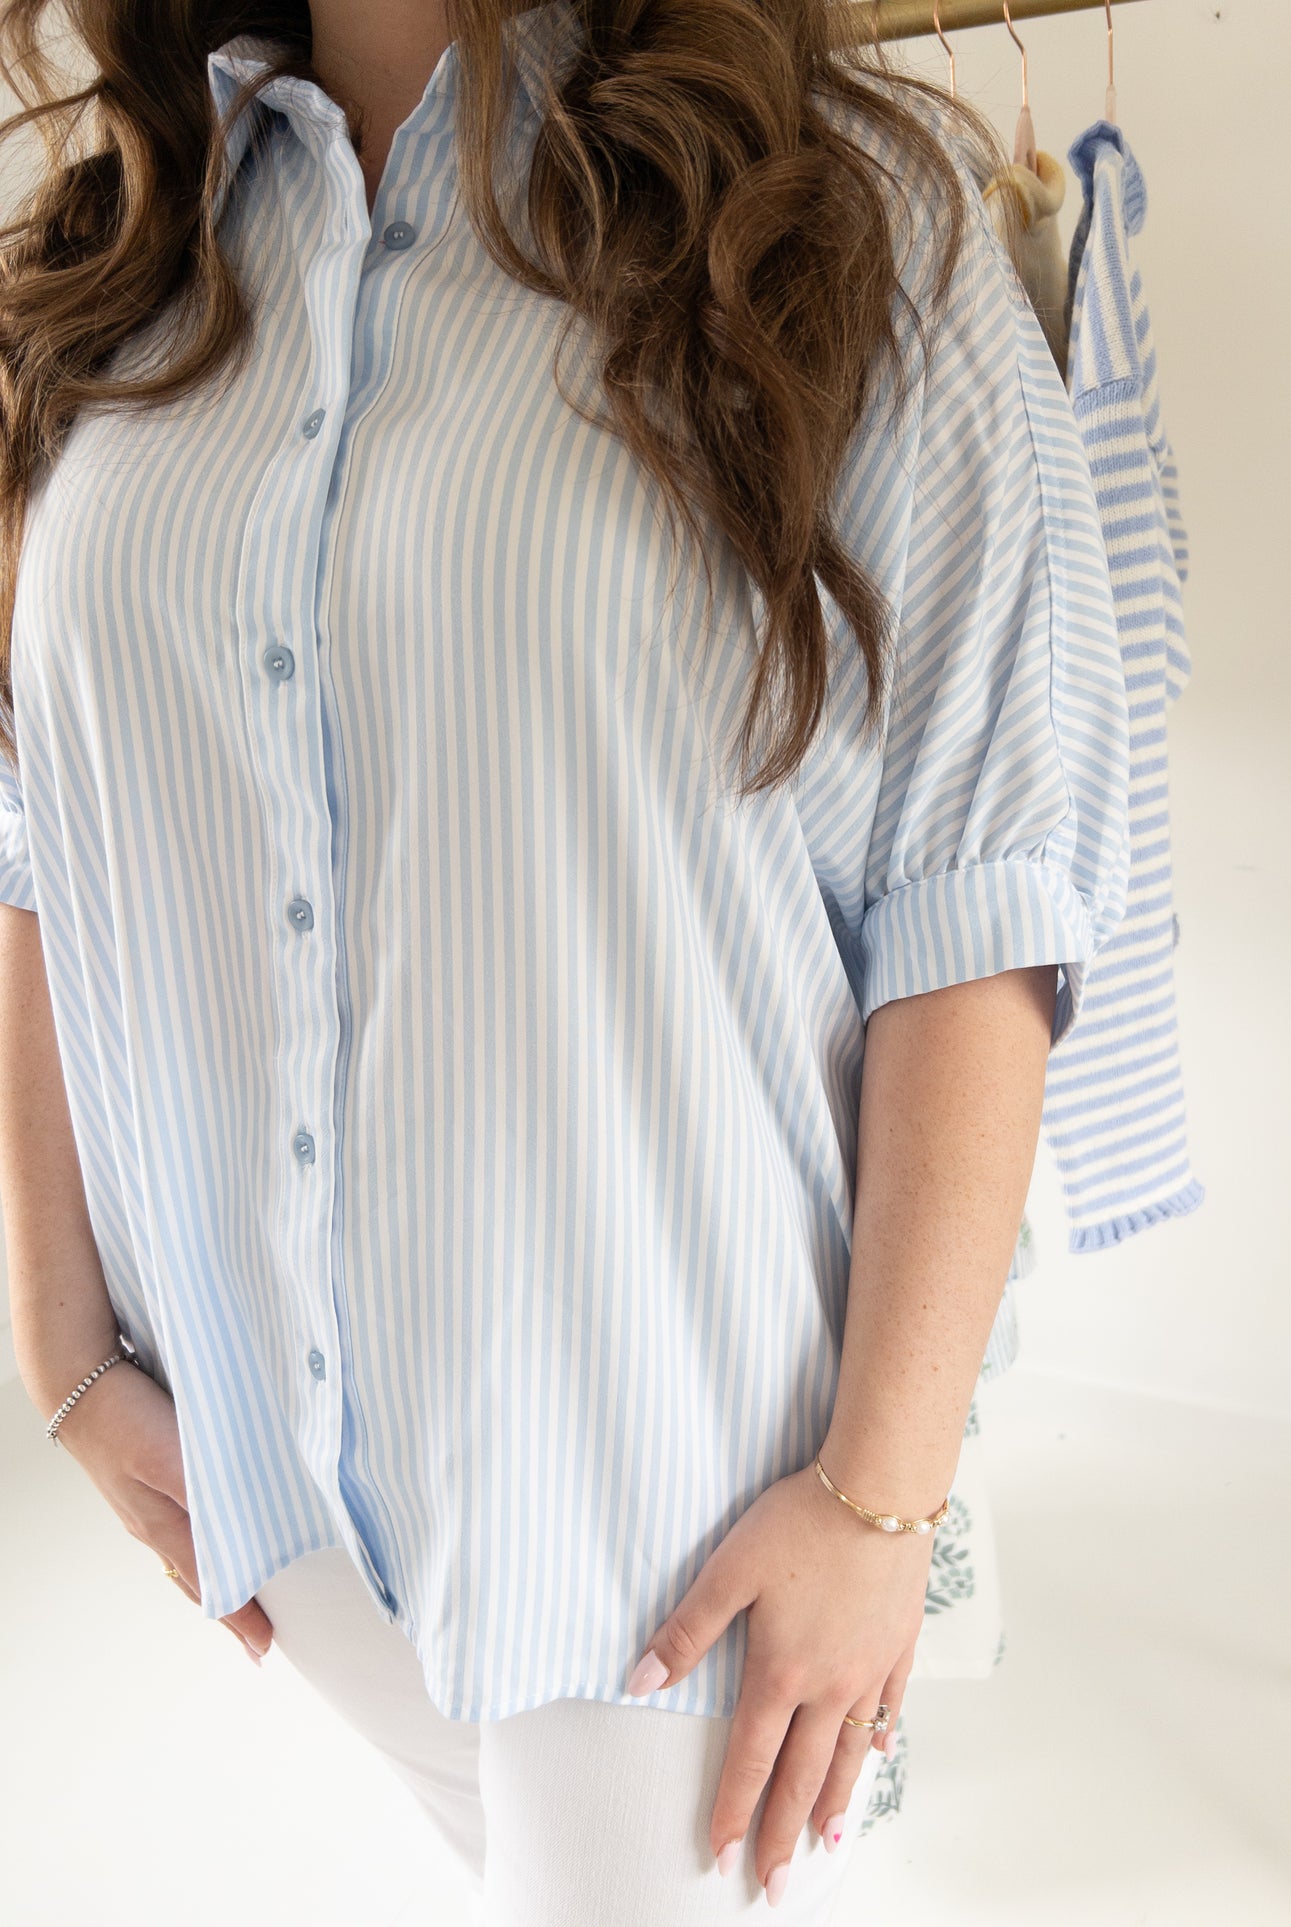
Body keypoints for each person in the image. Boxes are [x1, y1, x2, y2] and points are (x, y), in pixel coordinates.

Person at [0, 1, 1132, 1919]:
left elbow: (977, 887)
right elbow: (34, 816)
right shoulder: (101, 263)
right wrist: (56, 1332)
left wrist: (878, 1500)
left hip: (664, 1534)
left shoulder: (859, 216)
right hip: (269, 1478)